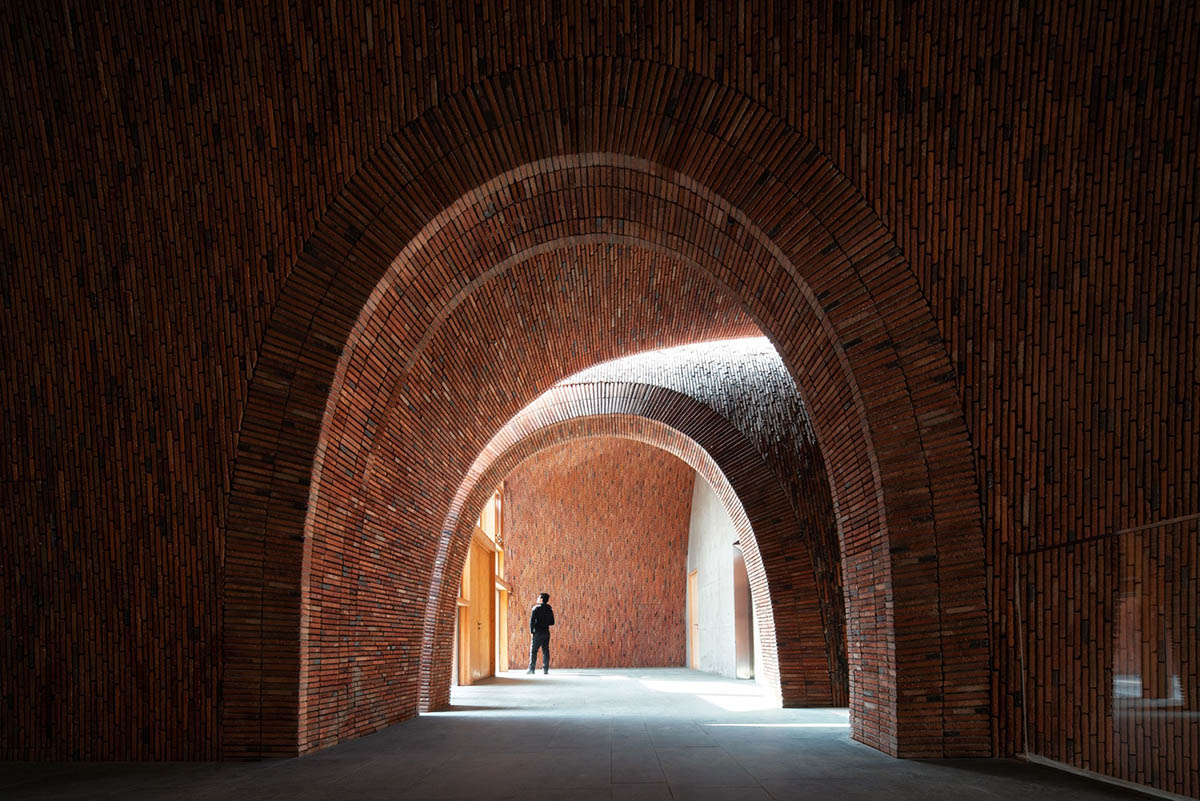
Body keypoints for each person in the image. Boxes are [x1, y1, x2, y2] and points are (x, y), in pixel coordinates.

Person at [527, 592, 555, 674]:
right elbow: (552, 622)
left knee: (534, 651)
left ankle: (531, 669)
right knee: (545, 650)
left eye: (538, 597)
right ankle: (545, 670)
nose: (537, 599)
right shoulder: (550, 609)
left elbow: (531, 622)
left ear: (541, 599)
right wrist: (545, 623)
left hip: (538, 632)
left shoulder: (535, 609)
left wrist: (532, 632)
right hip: (546, 632)